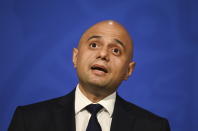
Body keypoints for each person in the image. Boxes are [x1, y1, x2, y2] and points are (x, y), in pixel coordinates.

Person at [8, 20, 170, 131]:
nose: (103, 54)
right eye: (94, 45)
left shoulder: (154, 127)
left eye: (116, 50)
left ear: (129, 70)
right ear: (75, 57)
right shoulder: (29, 121)